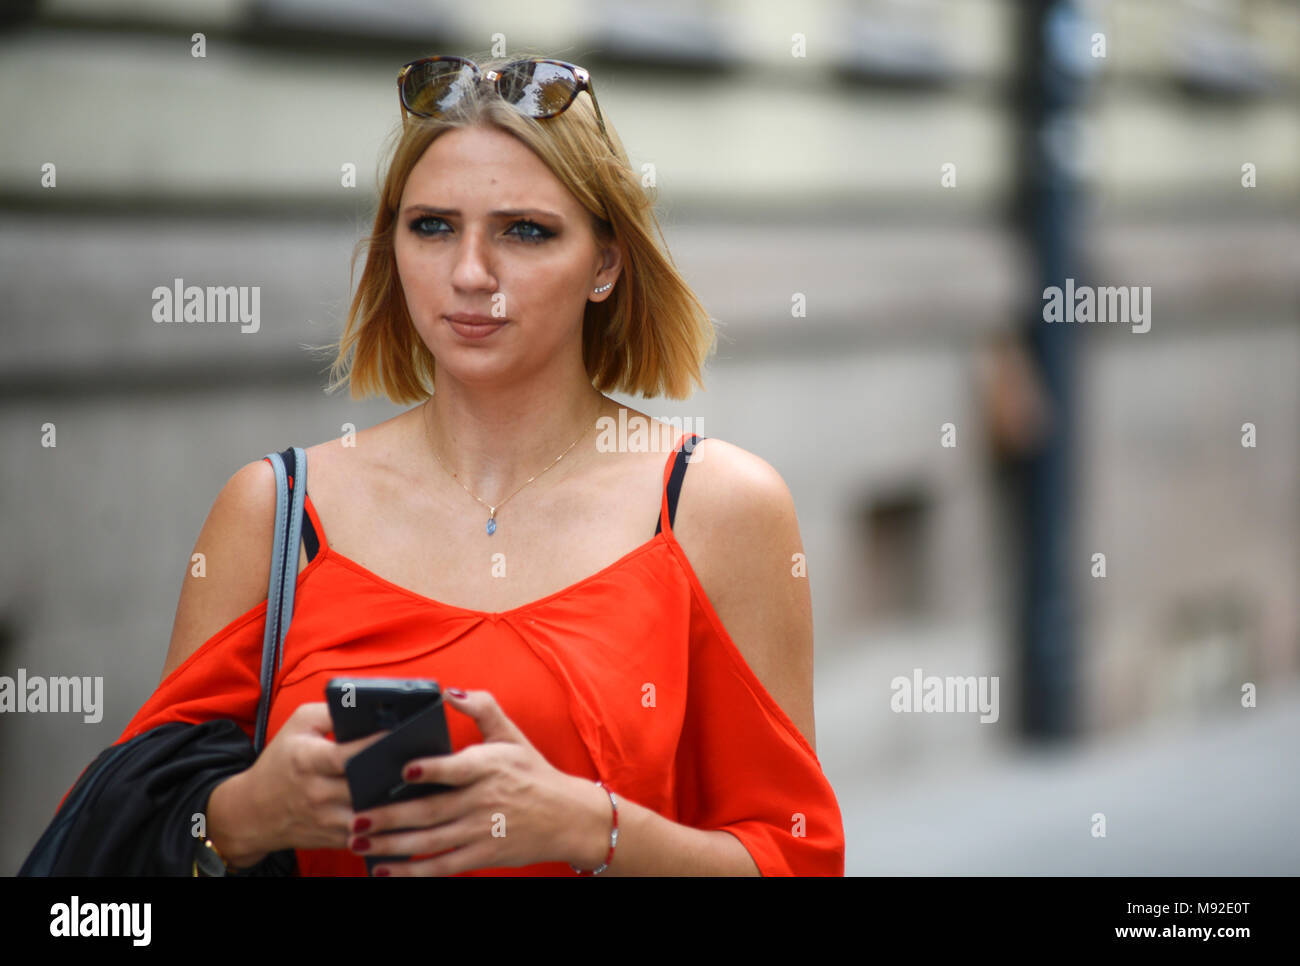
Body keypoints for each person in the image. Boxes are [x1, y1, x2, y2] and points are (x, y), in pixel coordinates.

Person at [112, 52, 845, 876]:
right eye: (432, 226)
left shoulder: (716, 507)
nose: (469, 274)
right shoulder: (276, 511)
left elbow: (791, 857)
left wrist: (591, 828)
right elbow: (138, 827)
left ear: (606, 263)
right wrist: (245, 816)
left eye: (524, 232)